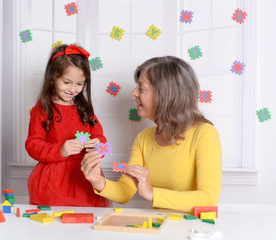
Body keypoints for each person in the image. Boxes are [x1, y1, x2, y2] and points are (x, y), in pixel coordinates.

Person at [81, 56, 222, 213]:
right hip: (159, 227)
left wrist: (151, 193)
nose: (134, 92)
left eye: (141, 88)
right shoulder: (143, 138)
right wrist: (97, 181)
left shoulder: (204, 134)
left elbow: (208, 199)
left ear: (165, 95)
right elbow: (125, 191)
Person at [25, 44, 111, 207]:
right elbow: (32, 145)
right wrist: (61, 150)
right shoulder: (42, 109)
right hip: (53, 182)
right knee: (55, 224)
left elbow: (102, 140)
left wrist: (99, 145)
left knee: (86, 223)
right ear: (53, 77)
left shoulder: (85, 110)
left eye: (80, 84)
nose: (73, 89)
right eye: (66, 82)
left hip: (84, 178)